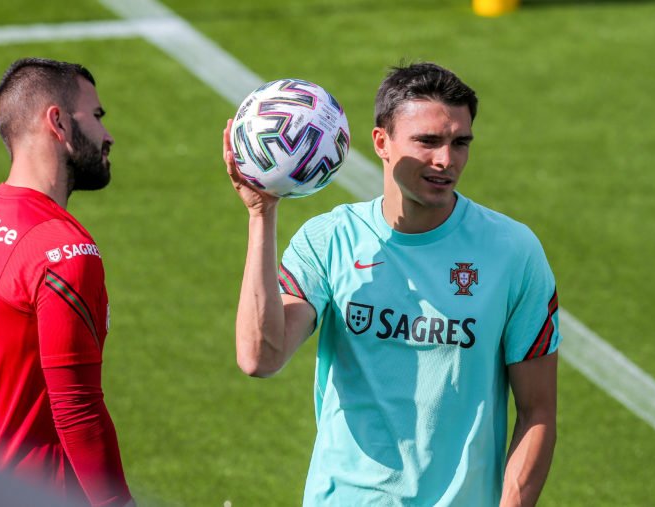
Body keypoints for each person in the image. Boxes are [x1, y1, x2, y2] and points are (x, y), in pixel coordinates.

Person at [223, 62, 560, 506]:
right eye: (428, 141)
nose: (446, 160)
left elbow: (537, 412)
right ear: (381, 142)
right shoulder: (329, 241)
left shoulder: (513, 253)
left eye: (460, 143)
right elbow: (260, 357)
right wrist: (261, 214)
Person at [0, 58, 134, 507]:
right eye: (97, 117)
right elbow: (78, 411)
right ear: (59, 122)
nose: (108, 136)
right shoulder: (64, 251)